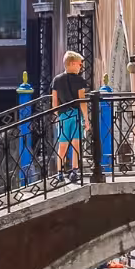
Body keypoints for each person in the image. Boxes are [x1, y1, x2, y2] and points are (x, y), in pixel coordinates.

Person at [52, 50, 89, 182]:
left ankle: (60, 173)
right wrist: (86, 119)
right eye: (80, 64)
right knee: (76, 144)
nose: (81, 67)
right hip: (76, 115)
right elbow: (82, 101)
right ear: (73, 64)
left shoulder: (56, 80)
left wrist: (58, 115)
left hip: (63, 115)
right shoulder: (79, 81)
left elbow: (54, 102)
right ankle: (74, 171)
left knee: (62, 145)